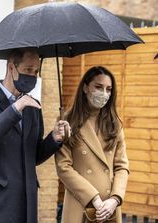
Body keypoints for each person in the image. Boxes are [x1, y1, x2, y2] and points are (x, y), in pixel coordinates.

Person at [0, 48, 70, 223]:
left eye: (36, 71)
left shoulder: (33, 106)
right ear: (11, 68)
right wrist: (15, 109)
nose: (33, 76)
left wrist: (54, 138)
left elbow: (34, 155)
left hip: (27, 206)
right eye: (28, 70)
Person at [55, 66, 129, 223]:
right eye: (98, 87)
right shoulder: (68, 121)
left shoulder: (115, 124)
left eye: (109, 89)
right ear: (85, 87)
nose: (104, 94)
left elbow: (122, 166)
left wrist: (115, 199)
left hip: (109, 208)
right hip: (80, 203)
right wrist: (93, 198)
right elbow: (63, 167)